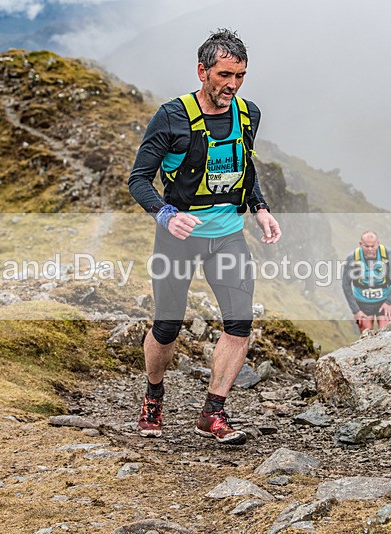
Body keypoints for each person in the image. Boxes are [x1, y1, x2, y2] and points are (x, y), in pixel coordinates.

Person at [127, 29, 282, 444]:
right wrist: (164, 213)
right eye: (224, 74)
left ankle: (213, 412)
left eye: (241, 76)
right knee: (167, 326)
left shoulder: (249, 115)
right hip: (178, 239)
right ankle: (154, 397)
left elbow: (245, 168)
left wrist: (261, 208)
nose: (232, 85)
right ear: (203, 71)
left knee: (240, 323)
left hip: (228, 237)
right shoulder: (171, 117)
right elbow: (138, 180)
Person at [341, 231, 391, 334]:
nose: (370, 249)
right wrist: (356, 311)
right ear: (360, 244)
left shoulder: (388, 254)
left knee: (386, 334)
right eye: (366, 246)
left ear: (378, 243)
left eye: (372, 246)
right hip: (362, 303)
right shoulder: (352, 258)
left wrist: (389, 302)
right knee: (366, 335)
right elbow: (345, 284)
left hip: (383, 301)